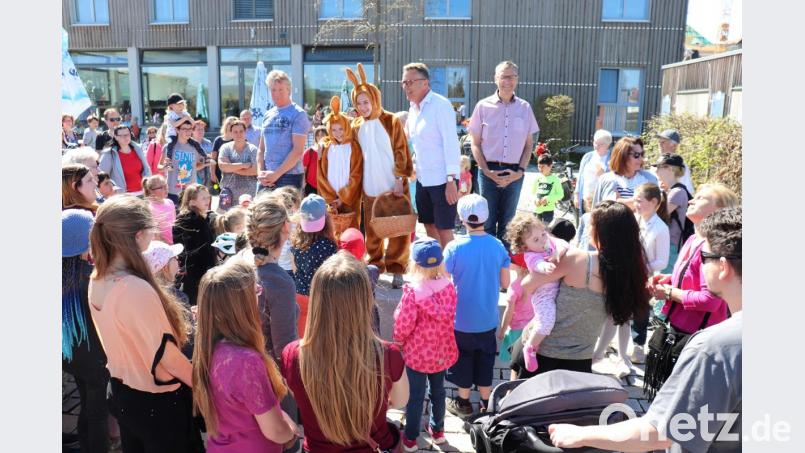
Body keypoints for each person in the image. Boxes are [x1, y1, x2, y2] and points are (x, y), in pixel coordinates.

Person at [549, 207, 742, 452]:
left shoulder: (716, 348)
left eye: (703, 258)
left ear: (723, 267)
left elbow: (658, 432)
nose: (701, 266)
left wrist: (579, 434)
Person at [88, 196, 202, 452]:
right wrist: (207, 386)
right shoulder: (134, 288)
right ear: (138, 235)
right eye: (152, 229)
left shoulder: (98, 278)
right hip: (156, 403)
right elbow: (167, 357)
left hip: (123, 392)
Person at [281, 252, 409, 452]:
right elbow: (400, 401)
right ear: (365, 300)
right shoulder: (388, 354)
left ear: (317, 300)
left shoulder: (292, 354)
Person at [510, 201, 651, 380]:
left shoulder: (579, 260)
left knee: (518, 401)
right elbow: (613, 321)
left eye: (592, 224)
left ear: (602, 232)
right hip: (580, 358)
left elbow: (527, 284)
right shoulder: (629, 273)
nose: (588, 227)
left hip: (544, 351)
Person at [192, 260, 301, 452]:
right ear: (241, 304)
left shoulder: (208, 348)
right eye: (256, 290)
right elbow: (275, 431)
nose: (259, 294)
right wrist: (291, 431)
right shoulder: (246, 361)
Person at [644, 184, 738, 395]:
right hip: (678, 329)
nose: (692, 200)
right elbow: (690, 276)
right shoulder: (693, 239)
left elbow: (709, 300)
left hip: (695, 336)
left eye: (701, 198)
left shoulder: (713, 248)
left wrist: (668, 293)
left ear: (719, 210)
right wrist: (669, 278)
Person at [591, 183, 670, 376]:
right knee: (616, 315)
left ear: (654, 203)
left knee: (627, 316)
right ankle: (607, 354)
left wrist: (640, 265)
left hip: (640, 276)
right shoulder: (634, 219)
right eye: (635, 200)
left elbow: (663, 260)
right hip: (624, 272)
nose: (635, 204)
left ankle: (625, 353)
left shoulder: (661, 228)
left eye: (639, 200)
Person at [443, 194, 511, 417]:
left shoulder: (454, 247)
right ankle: (485, 401)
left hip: (460, 320)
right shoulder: (498, 246)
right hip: (487, 319)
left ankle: (463, 402)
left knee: (462, 360)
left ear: (462, 219)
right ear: (487, 216)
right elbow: (505, 283)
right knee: (485, 360)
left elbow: (443, 278)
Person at [347, 63, 414, 288]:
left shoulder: (391, 120)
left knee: (398, 229)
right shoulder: (356, 126)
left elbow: (401, 151)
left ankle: (397, 268)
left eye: (366, 102)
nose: (363, 107)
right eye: (358, 103)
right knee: (373, 230)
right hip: (370, 186)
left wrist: (399, 179)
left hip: (393, 184)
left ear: (375, 99)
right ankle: (375, 265)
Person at [393, 238, 458, 451]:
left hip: (417, 354)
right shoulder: (449, 288)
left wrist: (399, 342)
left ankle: (411, 438)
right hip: (441, 352)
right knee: (438, 392)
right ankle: (438, 431)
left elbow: (404, 323)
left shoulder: (413, 292)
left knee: (415, 396)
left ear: (414, 264)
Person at [468, 61, 540, 248]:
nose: (507, 81)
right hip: (488, 171)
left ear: (517, 79)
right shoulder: (482, 107)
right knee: (487, 221)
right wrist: (485, 171)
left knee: (509, 224)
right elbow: (475, 143)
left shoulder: (525, 108)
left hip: (515, 172)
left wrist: (520, 171)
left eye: (512, 76)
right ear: (495, 79)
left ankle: (503, 266)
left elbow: (528, 145)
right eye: (503, 76)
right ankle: (488, 264)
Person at [62, 209, 109, 453]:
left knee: (86, 403)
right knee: (98, 412)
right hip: (96, 359)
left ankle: (85, 440)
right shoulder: (91, 278)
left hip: (71, 354)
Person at [403, 62, 462, 248]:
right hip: (422, 179)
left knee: (445, 230)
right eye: (404, 82)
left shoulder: (441, 105)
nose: (407, 86)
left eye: (411, 82)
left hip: (443, 180)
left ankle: (452, 273)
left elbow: (451, 145)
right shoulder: (412, 110)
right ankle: (435, 272)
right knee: (428, 227)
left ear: (425, 83)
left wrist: (451, 180)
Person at [505, 213, 569, 373]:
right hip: (544, 294)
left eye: (542, 234)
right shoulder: (531, 255)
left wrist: (558, 252)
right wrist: (545, 267)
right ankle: (530, 347)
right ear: (524, 247)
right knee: (546, 321)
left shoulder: (549, 241)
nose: (542, 240)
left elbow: (563, 244)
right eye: (535, 240)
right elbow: (537, 265)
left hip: (558, 288)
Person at [246, 197, 299, 361]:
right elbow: (285, 351)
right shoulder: (280, 282)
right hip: (266, 375)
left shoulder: (239, 266)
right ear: (285, 227)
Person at [290, 194, 338, 338]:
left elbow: (294, 269)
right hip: (321, 296)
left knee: (302, 338)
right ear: (326, 218)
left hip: (299, 295)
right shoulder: (328, 245)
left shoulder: (296, 243)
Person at [257, 70, 311, 191]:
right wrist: (261, 173)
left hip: (289, 176)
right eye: (273, 90)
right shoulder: (268, 114)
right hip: (266, 177)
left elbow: (297, 151)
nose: (277, 93)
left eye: (281, 89)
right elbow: (261, 149)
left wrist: (276, 175)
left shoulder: (298, 114)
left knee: (287, 211)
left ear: (289, 90)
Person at [317, 96, 364, 230]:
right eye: (333, 130)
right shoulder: (326, 147)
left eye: (341, 129)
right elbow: (321, 174)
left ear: (347, 128)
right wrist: (330, 198)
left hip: (349, 199)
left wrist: (343, 198)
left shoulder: (354, 147)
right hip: (330, 200)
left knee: (350, 230)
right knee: (331, 231)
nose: (337, 133)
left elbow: (356, 174)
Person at [172, 184, 218, 306]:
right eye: (203, 198)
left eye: (208, 197)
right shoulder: (191, 220)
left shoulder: (201, 218)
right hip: (196, 272)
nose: (207, 201)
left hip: (194, 270)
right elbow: (197, 250)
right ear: (192, 201)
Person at [592, 136, 658, 210]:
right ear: (623, 156)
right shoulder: (606, 179)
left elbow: (655, 205)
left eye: (642, 154)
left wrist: (619, 201)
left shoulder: (649, 179)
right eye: (636, 155)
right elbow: (608, 208)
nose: (641, 159)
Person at [653, 153, 693, 274]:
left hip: (670, 244)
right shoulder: (670, 191)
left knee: (663, 281)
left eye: (659, 167)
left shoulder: (677, 192)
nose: (656, 170)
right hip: (665, 243)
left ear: (669, 169)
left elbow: (657, 215)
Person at [161, 117, 212, 205]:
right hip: (173, 191)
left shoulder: (195, 147)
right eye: (184, 129)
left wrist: (204, 164)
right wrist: (165, 167)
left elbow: (197, 165)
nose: (188, 132)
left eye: (190, 129)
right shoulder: (169, 147)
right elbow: (159, 166)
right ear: (177, 130)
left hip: (191, 191)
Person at [497, 252, 533, 368]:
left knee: (514, 361)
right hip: (531, 328)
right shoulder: (536, 282)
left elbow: (509, 311)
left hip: (516, 330)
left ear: (520, 266)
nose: (509, 263)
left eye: (512, 261)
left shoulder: (515, 286)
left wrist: (502, 331)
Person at [98, 125, 151, 195]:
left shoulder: (138, 148)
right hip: (123, 196)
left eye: (127, 134)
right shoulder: (109, 153)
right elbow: (101, 176)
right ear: (116, 137)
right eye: (122, 135)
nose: (125, 137)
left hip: (143, 192)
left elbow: (147, 170)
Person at [218, 119, 259, 210]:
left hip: (249, 197)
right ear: (231, 133)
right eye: (235, 132)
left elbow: (255, 170)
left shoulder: (253, 149)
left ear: (245, 132)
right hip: (229, 196)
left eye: (241, 131)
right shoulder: (225, 148)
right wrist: (243, 165)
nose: (238, 134)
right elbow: (223, 166)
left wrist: (231, 167)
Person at [574, 129, 613, 216]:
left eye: (600, 144)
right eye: (595, 142)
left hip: (602, 200)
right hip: (586, 198)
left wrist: (604, 175)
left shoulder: (612, 159)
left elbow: (616, 180)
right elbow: (580, 177)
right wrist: (576, 195)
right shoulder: (587, 157)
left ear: (608, 145)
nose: (596, 146)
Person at [655, 129, 695, 194]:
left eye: (663, 142)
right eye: (659, 142)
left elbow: (688, 191)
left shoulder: (679, 165)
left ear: (674, 146)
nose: (659, 144)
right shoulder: (656, 163)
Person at [531, 153, 564, 224]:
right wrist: (535, 199)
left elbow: (560, 195)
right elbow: (533, 193)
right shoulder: (537, 178)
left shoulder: (555, 179)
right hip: (536, 210)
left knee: (546, 231)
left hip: (548, 211)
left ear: (550, 166)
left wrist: (548, 198)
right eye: (539, 166)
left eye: (543, 166)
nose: (540, 169)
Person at [142, 175, 176, 243]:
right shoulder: (150, 208)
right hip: (161, 245)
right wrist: (167, 245)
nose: (166, 189)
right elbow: (155, 234)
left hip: (173, 241)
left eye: (166, 185)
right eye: (161, 187)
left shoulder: (170, 202)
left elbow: (174, 222)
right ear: (151, 191)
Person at [212, 116, 238, 189]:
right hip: (220, 172)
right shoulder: (218, 140)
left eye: (233, 124)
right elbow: (213, 158)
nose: (230, 125)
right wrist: (213, 174)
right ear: (225, 125)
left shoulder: (238, 139)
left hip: (235, 172)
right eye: (229, 123)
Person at [302, 126, 327, 196]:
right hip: (311, 186)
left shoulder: (331, 151)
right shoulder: (309, 151)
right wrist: (303, 183)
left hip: (326, 185)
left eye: (322, 135)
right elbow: (303, 169)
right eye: (318, 135)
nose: (320, 137)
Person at [192, 120, 215, 188]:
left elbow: (212, 158)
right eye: (198, 129)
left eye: (202, 129)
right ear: (192, 131)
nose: (201, 131)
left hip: (206, 174)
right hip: (192, 174)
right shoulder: (188, 143)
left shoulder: (208, 143)